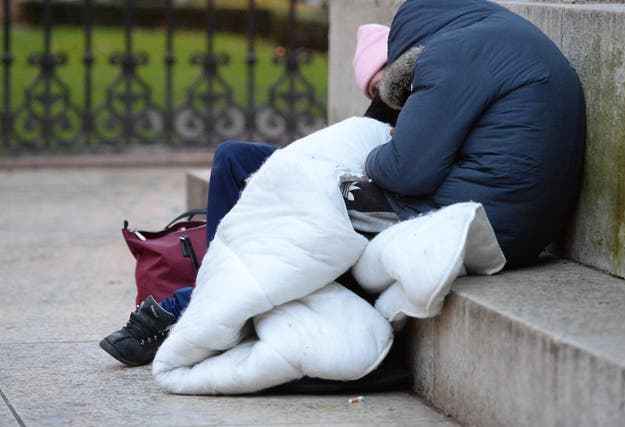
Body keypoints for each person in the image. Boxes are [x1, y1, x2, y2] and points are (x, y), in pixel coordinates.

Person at [100, 24, 397, 367]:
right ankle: (213, 283)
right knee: (232, 156)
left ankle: (200, 302)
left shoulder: (429, 88)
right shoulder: (395, 100)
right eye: (375, 87)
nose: (381, 91)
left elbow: (404, 168)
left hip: (364, 200)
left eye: (383, 81)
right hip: (340, 179)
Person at [369, 0, 585, 268]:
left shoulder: (450, 54)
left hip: (477, 222)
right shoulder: (508, 35)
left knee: (327, 193)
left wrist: (370, 157)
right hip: (527, 234)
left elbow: (405, 171)